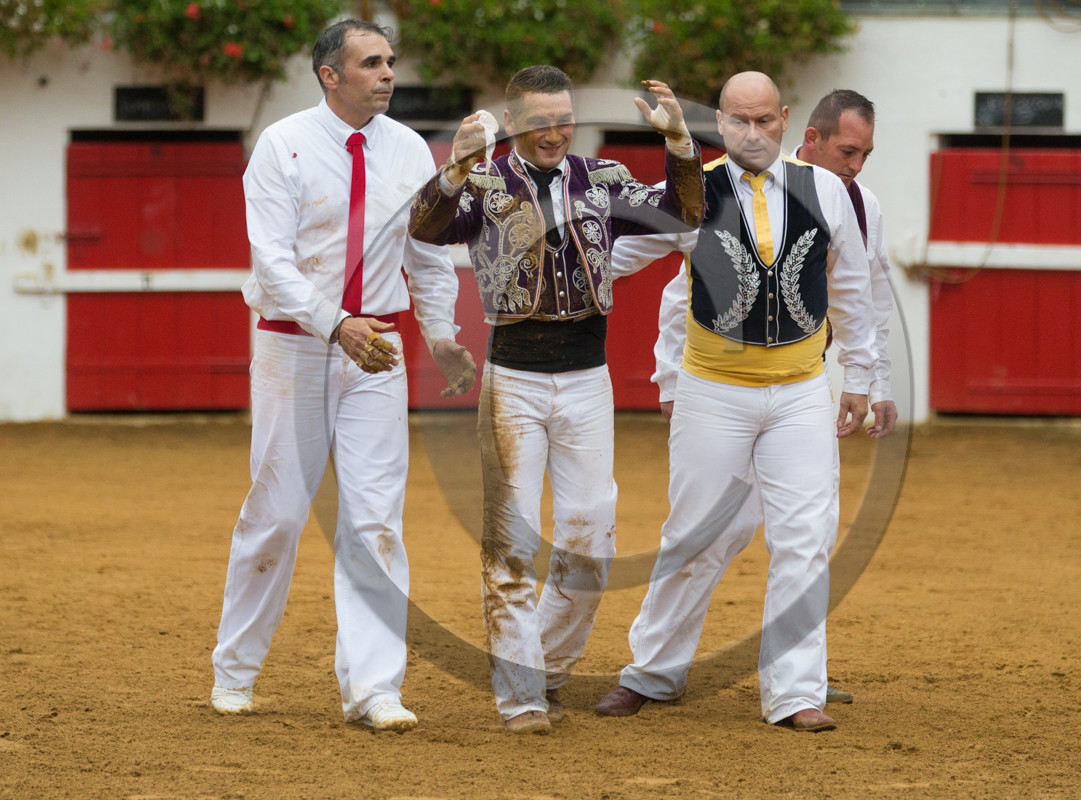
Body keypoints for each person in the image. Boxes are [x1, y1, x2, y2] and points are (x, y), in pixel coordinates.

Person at [409, 65, 704, 734]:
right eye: (540, 121)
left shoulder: (600, 180)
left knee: (590, 537)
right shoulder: (484, 184)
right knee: (510, 543)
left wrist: (680, 143)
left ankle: (546, 671)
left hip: (586, 381)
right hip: (512, 378)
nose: (554, 132)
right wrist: (454, 167)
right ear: (513, 125)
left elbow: (684, 212)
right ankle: (521, 695)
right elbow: (425, 228)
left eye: (563, 119)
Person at [209, 19, 476, 732]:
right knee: (277, 513)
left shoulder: (410, 148)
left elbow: (426, 254)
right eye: (371, 63)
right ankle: (234, 670)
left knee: (375, 518)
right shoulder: (283, 144)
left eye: (390, 61)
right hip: (295, 346)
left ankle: (374, 688)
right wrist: (337, 323)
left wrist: (442, 333)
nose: (387, 73)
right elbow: (271, 260)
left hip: (377, 349)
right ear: (332, 75)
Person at [595, 72, 878, 732]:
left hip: (800, 390)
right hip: (713, 390)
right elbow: (619, 255)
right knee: (695, 534)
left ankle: (795, 692)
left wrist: (862, 377)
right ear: (719, 123)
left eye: (764, 121)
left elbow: (855, 292)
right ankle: (652, 671)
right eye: (738, 122)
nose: (752, 134)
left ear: (783, 119)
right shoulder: (693, 192)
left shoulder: (828, 190)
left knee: (805, 539)